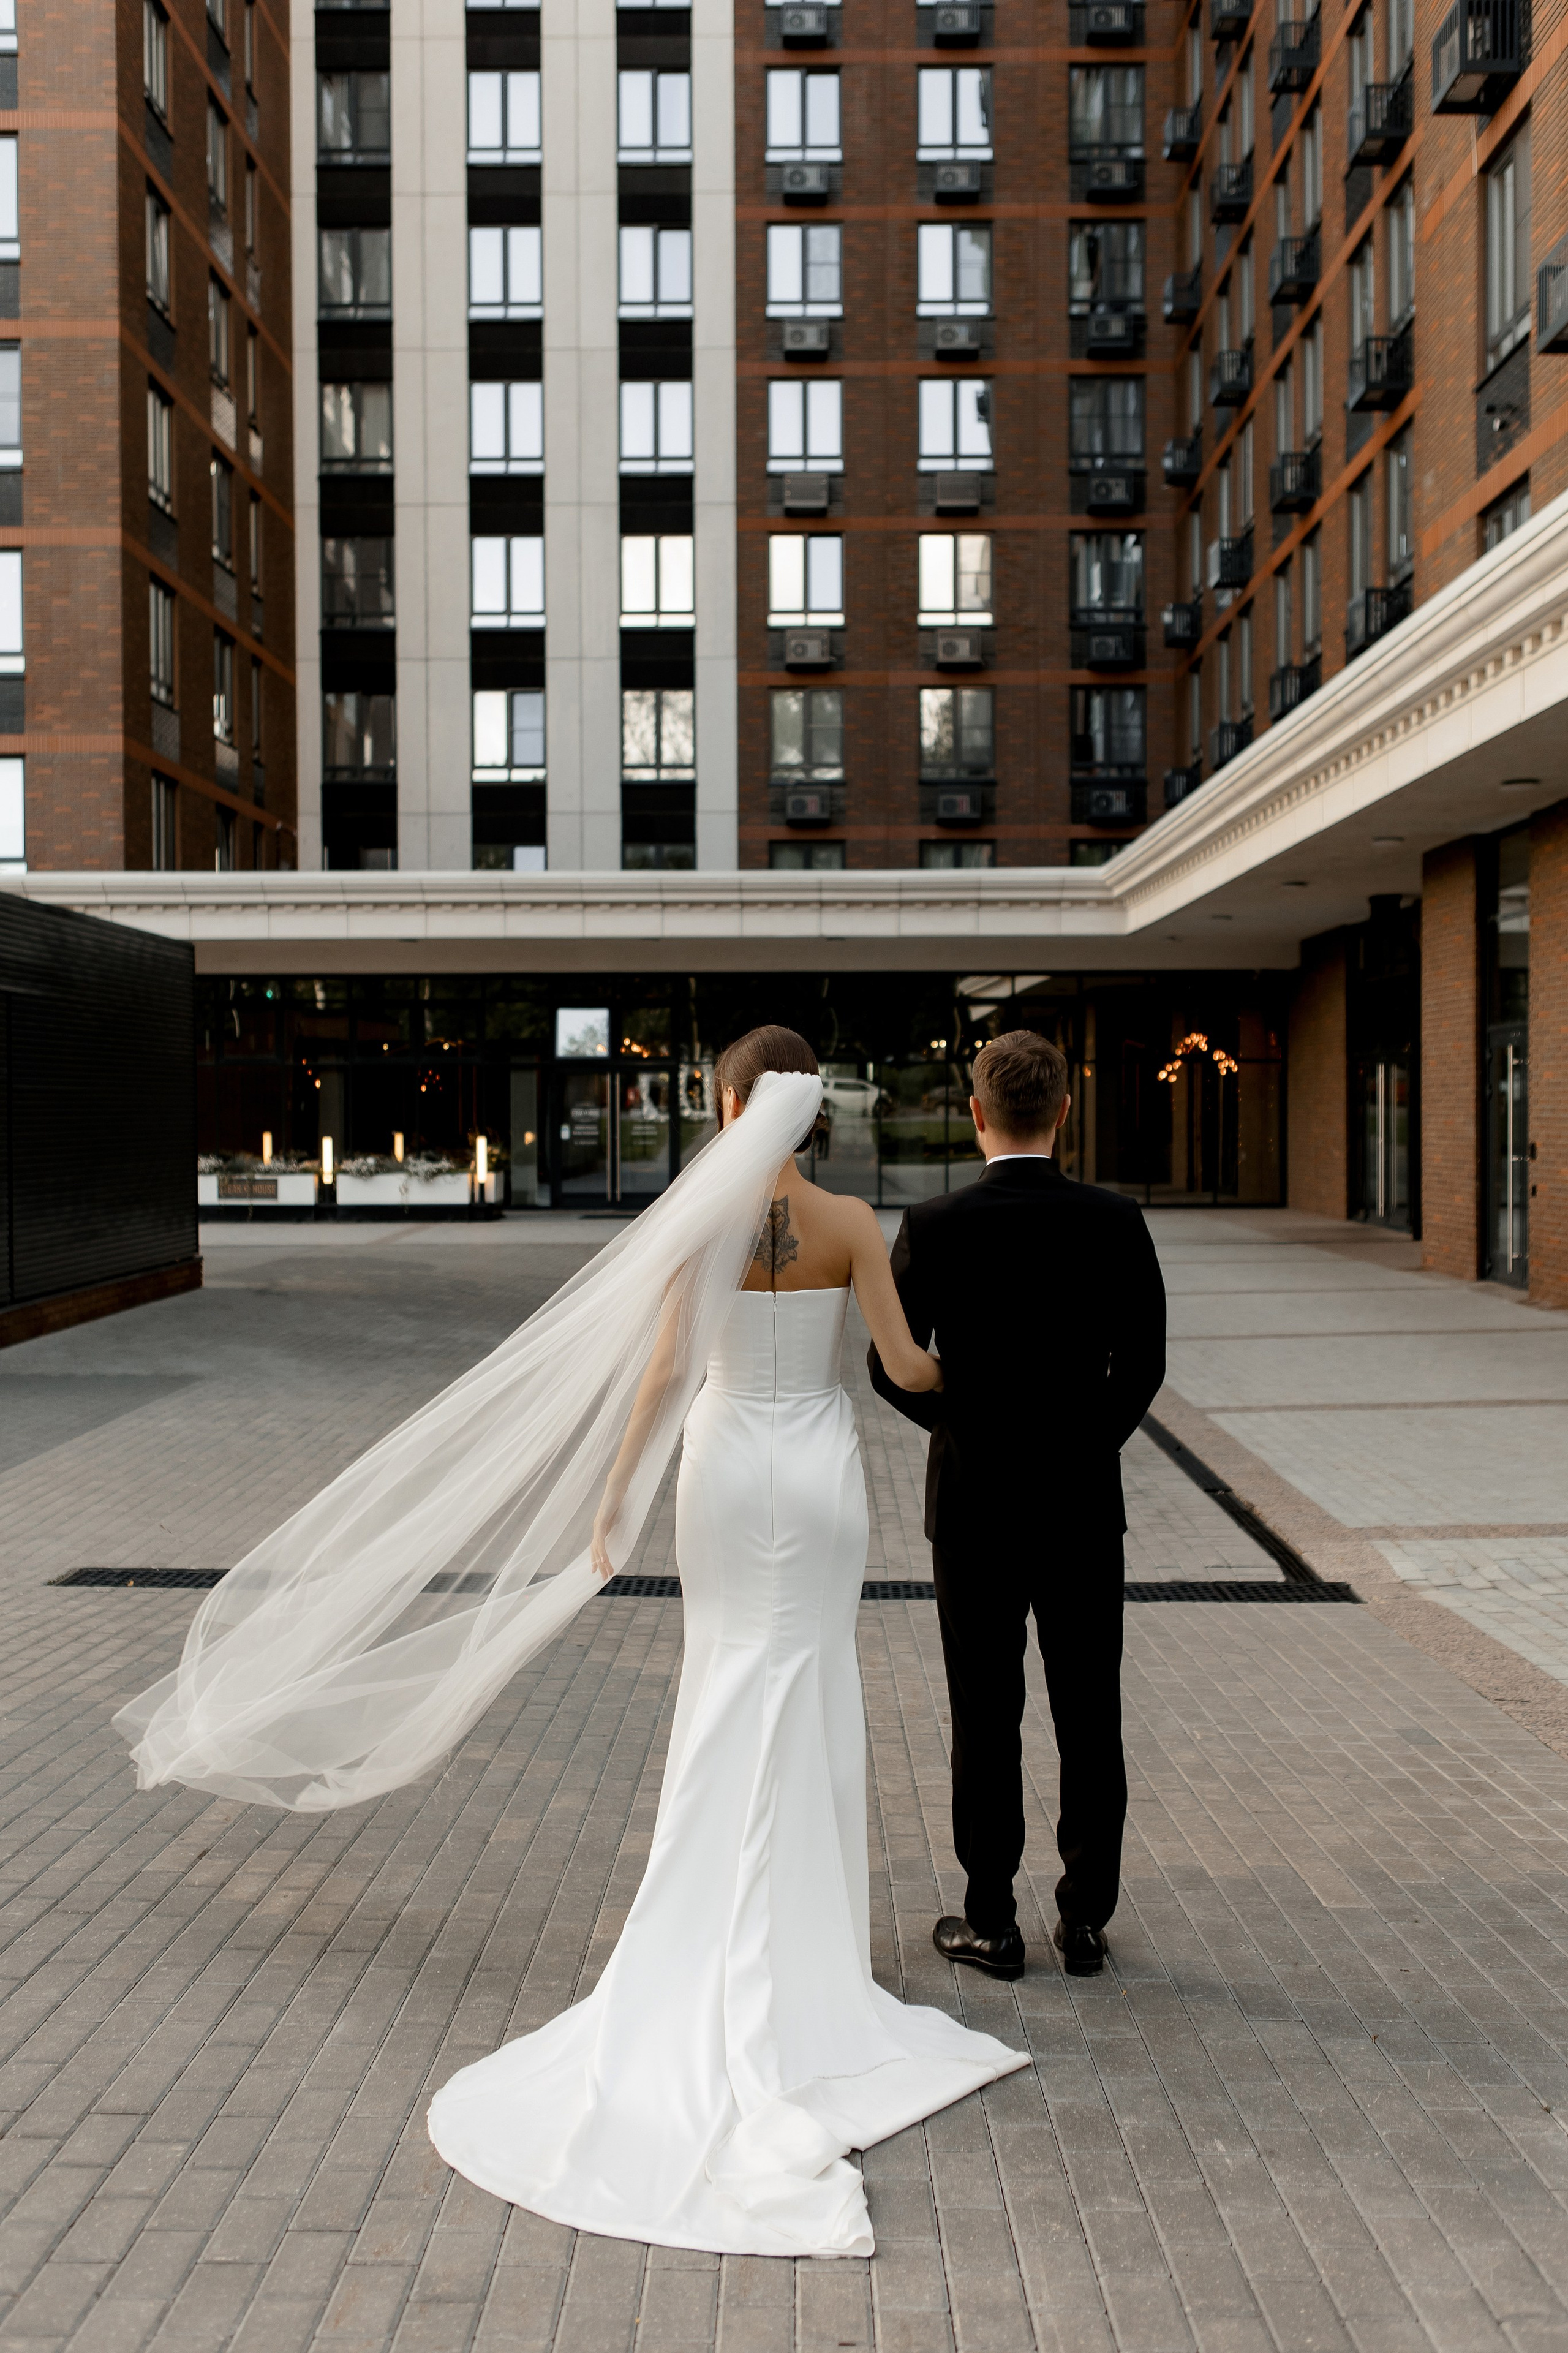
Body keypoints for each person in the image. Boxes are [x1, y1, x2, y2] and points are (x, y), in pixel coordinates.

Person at [116, 1027, 1025, 2260]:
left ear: (723, 1106)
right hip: (815, 1479)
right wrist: (974, 1364)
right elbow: (909, 1364)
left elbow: (659, 1379)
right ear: (813, 1114)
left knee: (722, 1690)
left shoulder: (695, 1227)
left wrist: (608, 1507)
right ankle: (808, 1975)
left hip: (721, 1470)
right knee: (808, 1689)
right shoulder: (857, 1223)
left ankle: (703, 1938)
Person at [869, 1029, 1166, 1982]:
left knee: (985, 1712)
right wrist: (1087, 1440)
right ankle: (1084, 1921)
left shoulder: (936, 1224)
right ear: (1065, 1110)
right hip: (1082, 1505)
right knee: (1090, 1712)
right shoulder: (1116, 1220)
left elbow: (889, 1364)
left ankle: (991, 1919)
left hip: (974, 1507)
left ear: (976, 1114)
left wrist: (960, 1427)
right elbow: (1145, 1364)